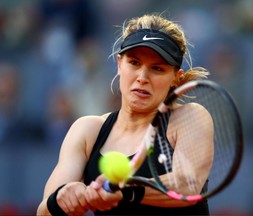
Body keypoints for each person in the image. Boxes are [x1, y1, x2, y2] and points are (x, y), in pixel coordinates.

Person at [37, 13, 212, 216]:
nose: (142, 77)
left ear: (176, 78)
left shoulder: (189, 117)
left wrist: (125, 189)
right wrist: (62, 198)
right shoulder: (87, 130)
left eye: (157, 68)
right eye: (134, 63)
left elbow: (188, 184)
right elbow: (43, 212)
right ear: (119, 64)